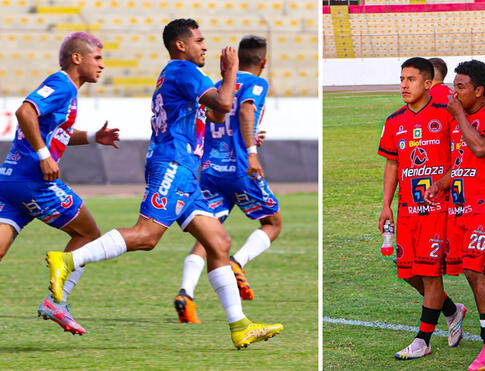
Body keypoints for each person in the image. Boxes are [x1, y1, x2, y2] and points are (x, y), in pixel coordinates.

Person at [45, 19, 283, 349]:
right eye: (199, 40)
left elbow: (214, 114)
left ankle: (240, 325)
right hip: (172, 163)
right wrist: (229, 72)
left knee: (218, 242)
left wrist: (227, 91)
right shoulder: (183, 71)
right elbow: (225, 104)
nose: (205, 46)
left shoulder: (176, 74)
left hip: (187, 172)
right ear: (181, 45)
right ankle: (69, 260)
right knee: (146, 236)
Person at [0, 32, 120, 335]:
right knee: (89, 234)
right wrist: (43, 156)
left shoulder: (67, 91)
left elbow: (58, 130)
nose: (102, 65)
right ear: (77, 58)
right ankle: (57, 302)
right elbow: (25, 111)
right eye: (98, 57)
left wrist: (94, 137)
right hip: (33, 181)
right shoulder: (62, 84)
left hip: (10, 179)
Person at [174, 35, 282, 324]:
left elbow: (211, 117)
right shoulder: (256, 83)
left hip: (211, 169)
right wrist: (252, 151)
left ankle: (186, 292)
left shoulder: (218, 84)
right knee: (273, 223)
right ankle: (237, 262)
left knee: (209, 233)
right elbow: (246, 110)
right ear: (263, 61)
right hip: (241, 168)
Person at [427, 60, 485, 370]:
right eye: (454, 85)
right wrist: (440, 184)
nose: (455, 92)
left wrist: (458, 115)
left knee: (474, 270)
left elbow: (480, 149)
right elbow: (462, 164)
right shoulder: (459, 120)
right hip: (462, 208)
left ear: (479, 91)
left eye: (461, 87)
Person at [377, 57, 467, 360]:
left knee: (430, 275)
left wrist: (444, 181)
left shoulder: (446, 115)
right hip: (407, 211)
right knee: (407, 272)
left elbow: (462, 157)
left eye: (411, 79)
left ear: (428, 84)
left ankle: (423, 340)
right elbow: (392, 163)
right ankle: (453, 311)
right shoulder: (393, 120)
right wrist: (386, 205)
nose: (404, 85)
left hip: (438, 209)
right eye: (402, 78)